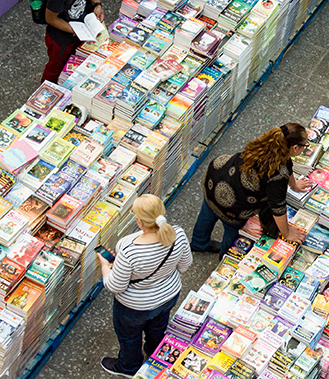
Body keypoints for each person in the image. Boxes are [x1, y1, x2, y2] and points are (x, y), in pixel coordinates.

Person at [97, 195, 193, 376]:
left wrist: (105, 266)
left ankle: (129, 367)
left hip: (134, 307)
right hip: (168, 296)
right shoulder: (178, 234)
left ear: (139, 221)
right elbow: (185, 265)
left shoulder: (127, 249)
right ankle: (155, 352)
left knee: (129, 338)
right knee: (158, 328)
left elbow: (115, 286)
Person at [191, 124, 314, 257]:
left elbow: (288, 165)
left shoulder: (268, 144)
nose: (304, 149)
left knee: (207, 214)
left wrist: (294, 185)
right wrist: (288, 233)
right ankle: (225, 255)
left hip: (214, 178)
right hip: (232, 204)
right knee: (231, 229)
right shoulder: (277, 175)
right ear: (295, 148)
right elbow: (278, 208)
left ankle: (198, 244)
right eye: (304, 146)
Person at [41, 0, 105, 83]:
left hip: (83, 28)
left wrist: (97, 4)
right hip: (61, 39)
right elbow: (51, 19)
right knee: (55, 69)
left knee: (78, 64)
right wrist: (74, 30)